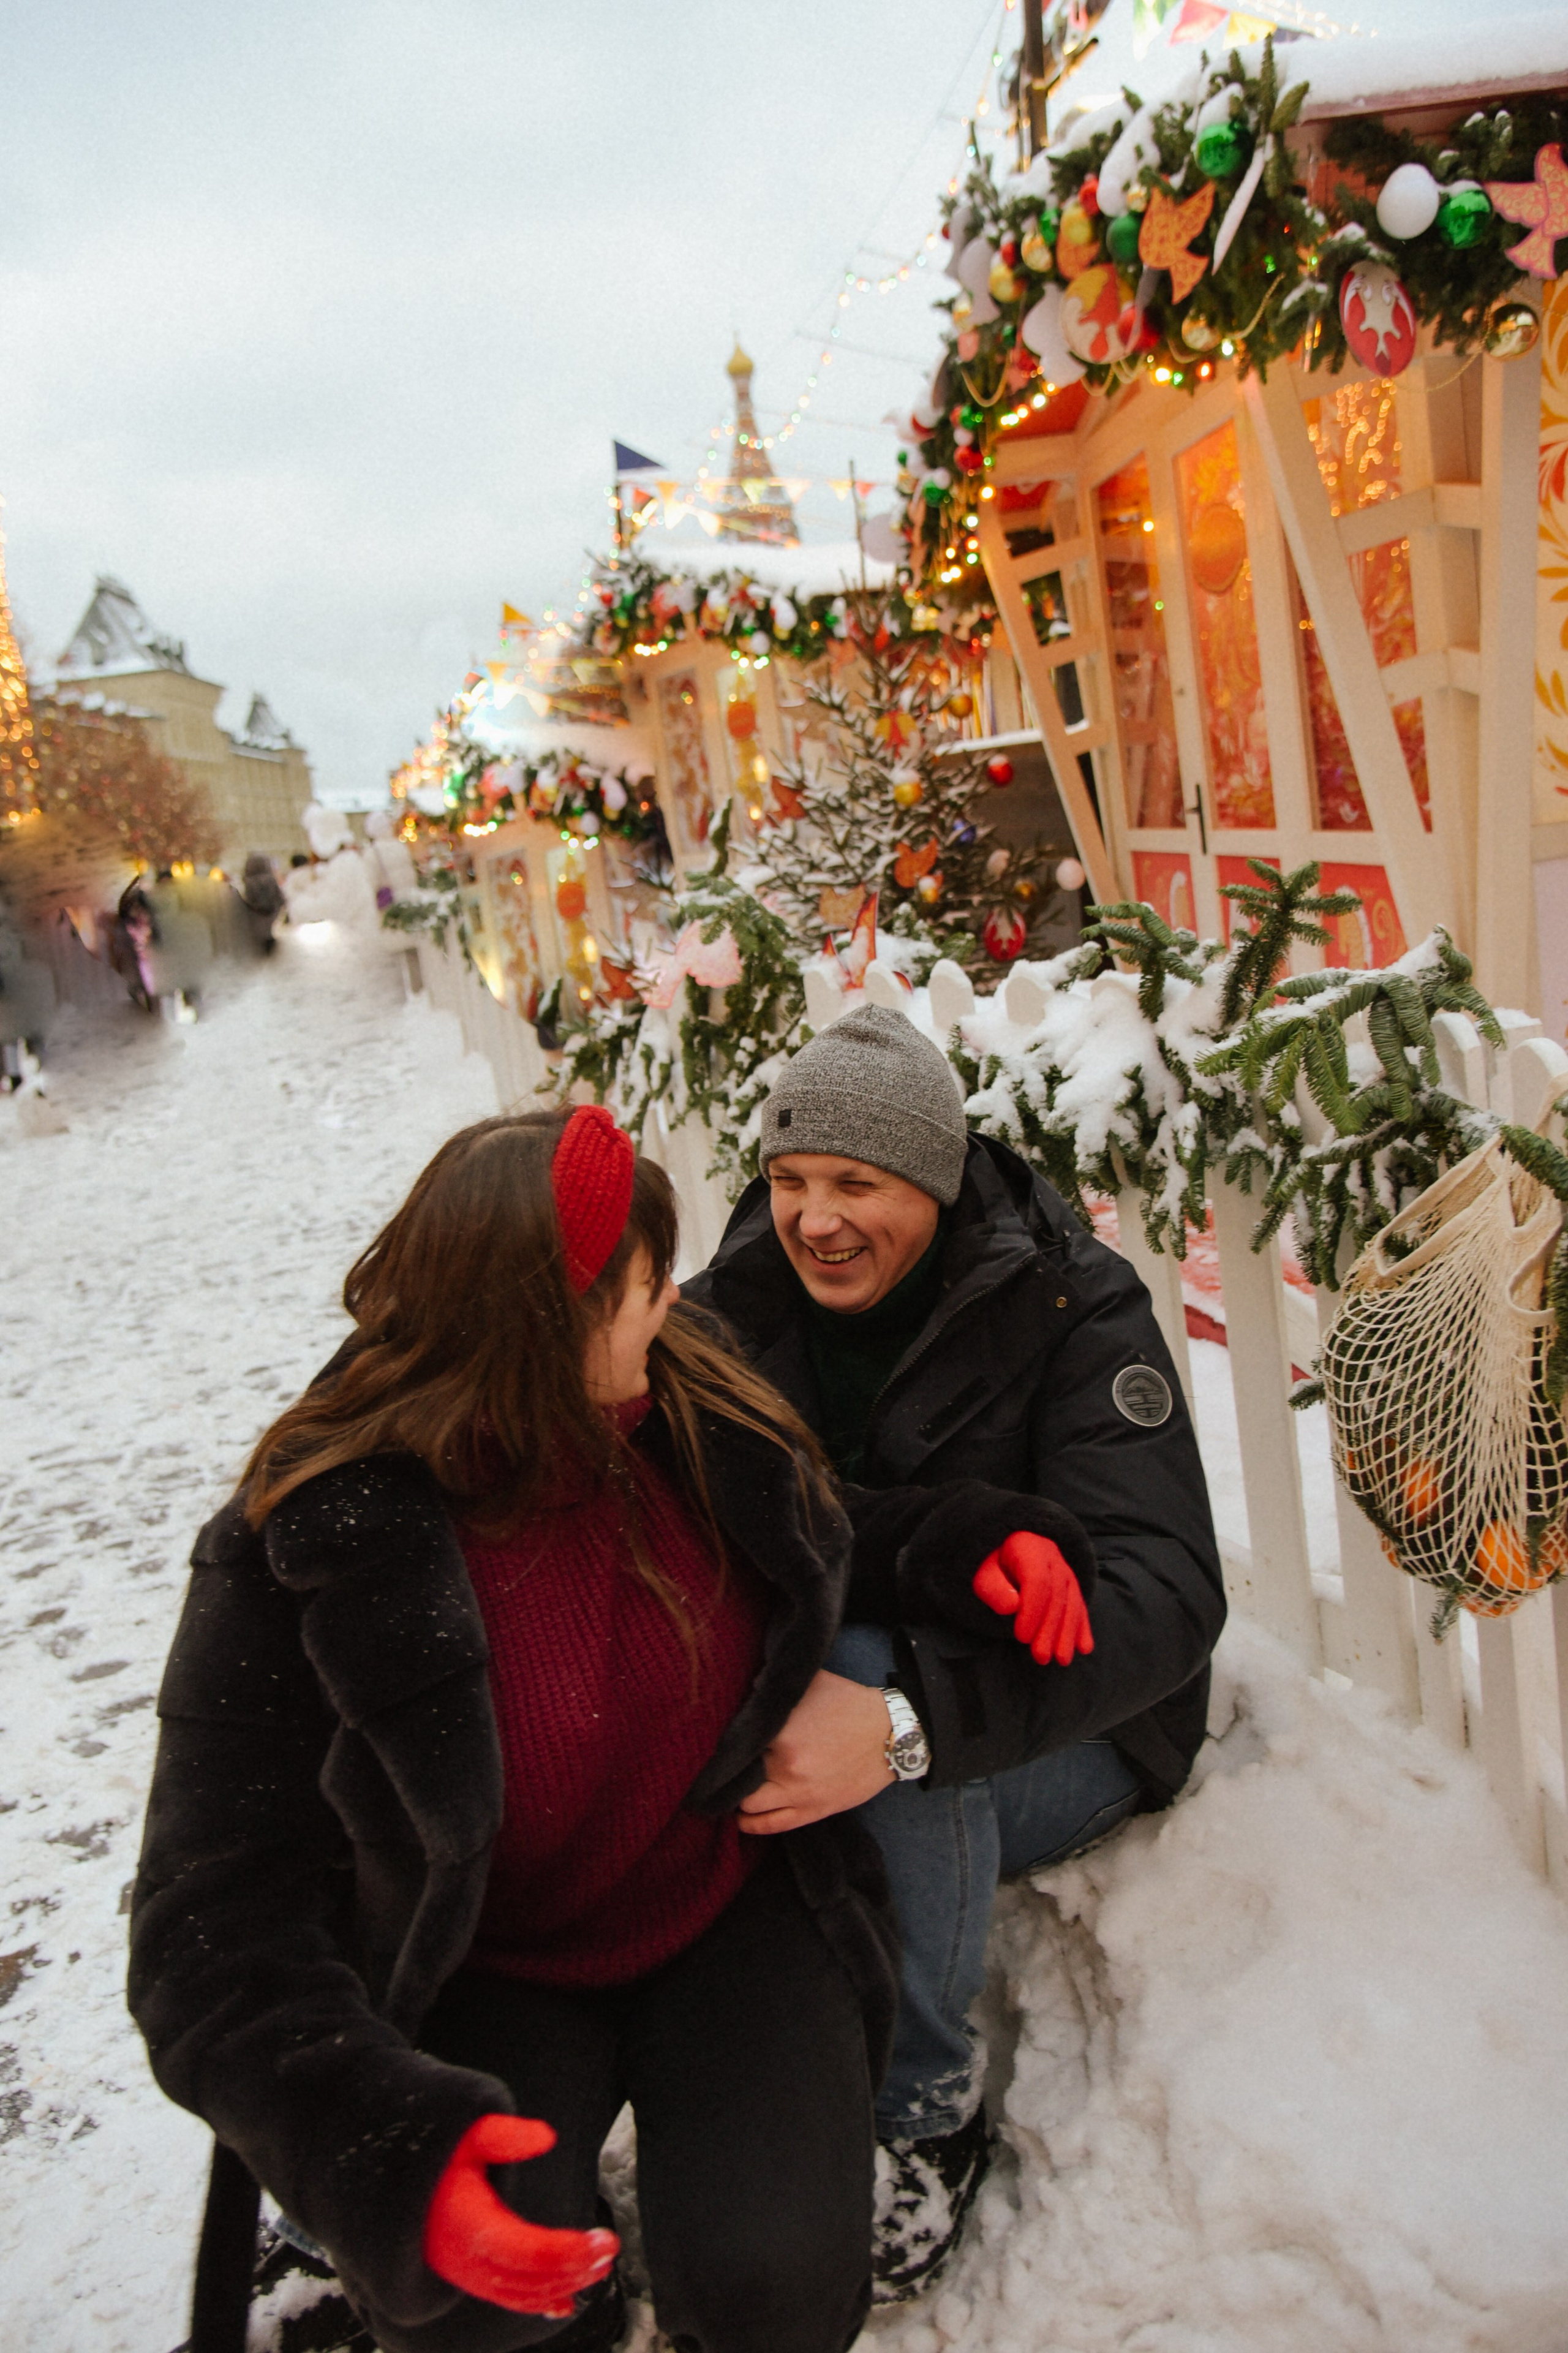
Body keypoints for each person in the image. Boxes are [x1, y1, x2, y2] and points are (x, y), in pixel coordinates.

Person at [129, 1106, 898, 2353]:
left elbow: (828, 1518)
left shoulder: (683, 1391)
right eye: (647, 1279)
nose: (673, 1297)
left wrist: (982, 1542)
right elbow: (205, 1925)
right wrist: (373, 2147)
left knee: (777, 2283)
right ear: (545, 1328)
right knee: (492, 2302)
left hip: (720, 1899)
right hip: (486, 1955)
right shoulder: (312, 1543)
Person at [684, 1005, 1226, 2303]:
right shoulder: (737, 1304)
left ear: (929, 1178)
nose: (814, 1218)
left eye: (855, 1185)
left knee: (870, 1675)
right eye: (792, 1180)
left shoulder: (1065, 1301)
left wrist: (907, 1719)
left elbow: (1162, 1588)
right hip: (832, 1690)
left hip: (1070, 1726)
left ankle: (923, 2105)